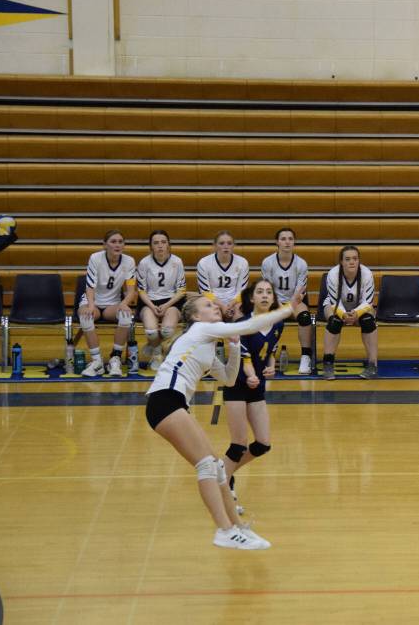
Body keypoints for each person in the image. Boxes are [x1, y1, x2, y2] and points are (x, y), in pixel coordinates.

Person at [145, 291, 301, 550]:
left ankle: (238, 528)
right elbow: (250, 324)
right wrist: (287, 309)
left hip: (173, 402)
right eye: (208, 305)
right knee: (206, 465)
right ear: (196, 316)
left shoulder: (206, 345)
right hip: (164, 399)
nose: (215, 307)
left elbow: (228, 378)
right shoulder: (201, 330)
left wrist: (232, 346)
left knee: (216, 467)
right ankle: (224, 530)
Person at [221, 279, 284, 514]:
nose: (265, 295)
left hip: (257, 385)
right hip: (237, 384)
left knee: (263, 444)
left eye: (269, 292)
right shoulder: (242, 324)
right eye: (260, 292)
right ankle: (225, 486)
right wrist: (250, 375)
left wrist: (271, 366)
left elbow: (271, 351)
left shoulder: (277, 324)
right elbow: (245, 359)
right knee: (238, 445)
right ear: (251, 298)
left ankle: (225, 471)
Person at [78, 230, 138, 377]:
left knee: (125, 315)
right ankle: (97, 362)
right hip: (92, 300)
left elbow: (131, 290)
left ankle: (115, 359)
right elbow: (90, 285)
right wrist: (91, 306)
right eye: (113, 241)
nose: (117, 245)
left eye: (120, 242)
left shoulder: (129, 261)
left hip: (113, 303)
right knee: (86, 316)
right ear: (105, 244)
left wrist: (124, 303)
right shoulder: (96, 258)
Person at [260, 227, 313, 374]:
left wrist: (290, 306)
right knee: (272, 318)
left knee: (305, 317)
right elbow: (268, 289)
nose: (287, 242)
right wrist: (280, 307)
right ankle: (269, 355)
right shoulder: (268, 262)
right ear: (277, 242)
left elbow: (300, 290)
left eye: (290, 239)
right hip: (274, 302)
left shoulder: (301, 264)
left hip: (295, 302)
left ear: (294, 242)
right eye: (283, 239)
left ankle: (306, 356)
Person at [322, 246, 378, 380]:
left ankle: (372, 364)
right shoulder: (333, 274)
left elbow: (368, 301)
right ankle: (328, 363)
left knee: (368, 321)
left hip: (360, 307)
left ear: (359, 261)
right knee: (334, 322)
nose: (351, 262)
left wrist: (356, 313)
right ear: (341, 262)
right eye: (347, 259)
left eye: (355, 259)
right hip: (335, 306)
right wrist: (343, 315)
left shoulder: (366, 274)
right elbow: (334, 301)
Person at [136, 230, 187, 371]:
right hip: (149, 301)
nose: (160, 246)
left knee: (166, 331)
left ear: (168, 245)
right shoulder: (144, 263)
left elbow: (181, 290)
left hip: (172, 301)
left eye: (163, 242)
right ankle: (157, 351)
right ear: (151, 246)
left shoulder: (177, 262)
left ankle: (156, 349)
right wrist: (153, 307)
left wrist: (166, 305)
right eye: (156, 243)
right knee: (151, 332)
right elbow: (141, 290)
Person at [196, 230, 250, 322]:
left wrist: (231, 305)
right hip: (213, 301)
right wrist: (222, 306)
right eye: (221, 243)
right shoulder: (204, 263)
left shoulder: (242, 263)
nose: (226, 246)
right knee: (213, 315)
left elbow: (241, 291)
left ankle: (239, 336)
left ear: (233, 245)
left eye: (229, 243)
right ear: (215, 245)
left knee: (238, 314)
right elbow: (205, 291)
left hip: (234, 301)